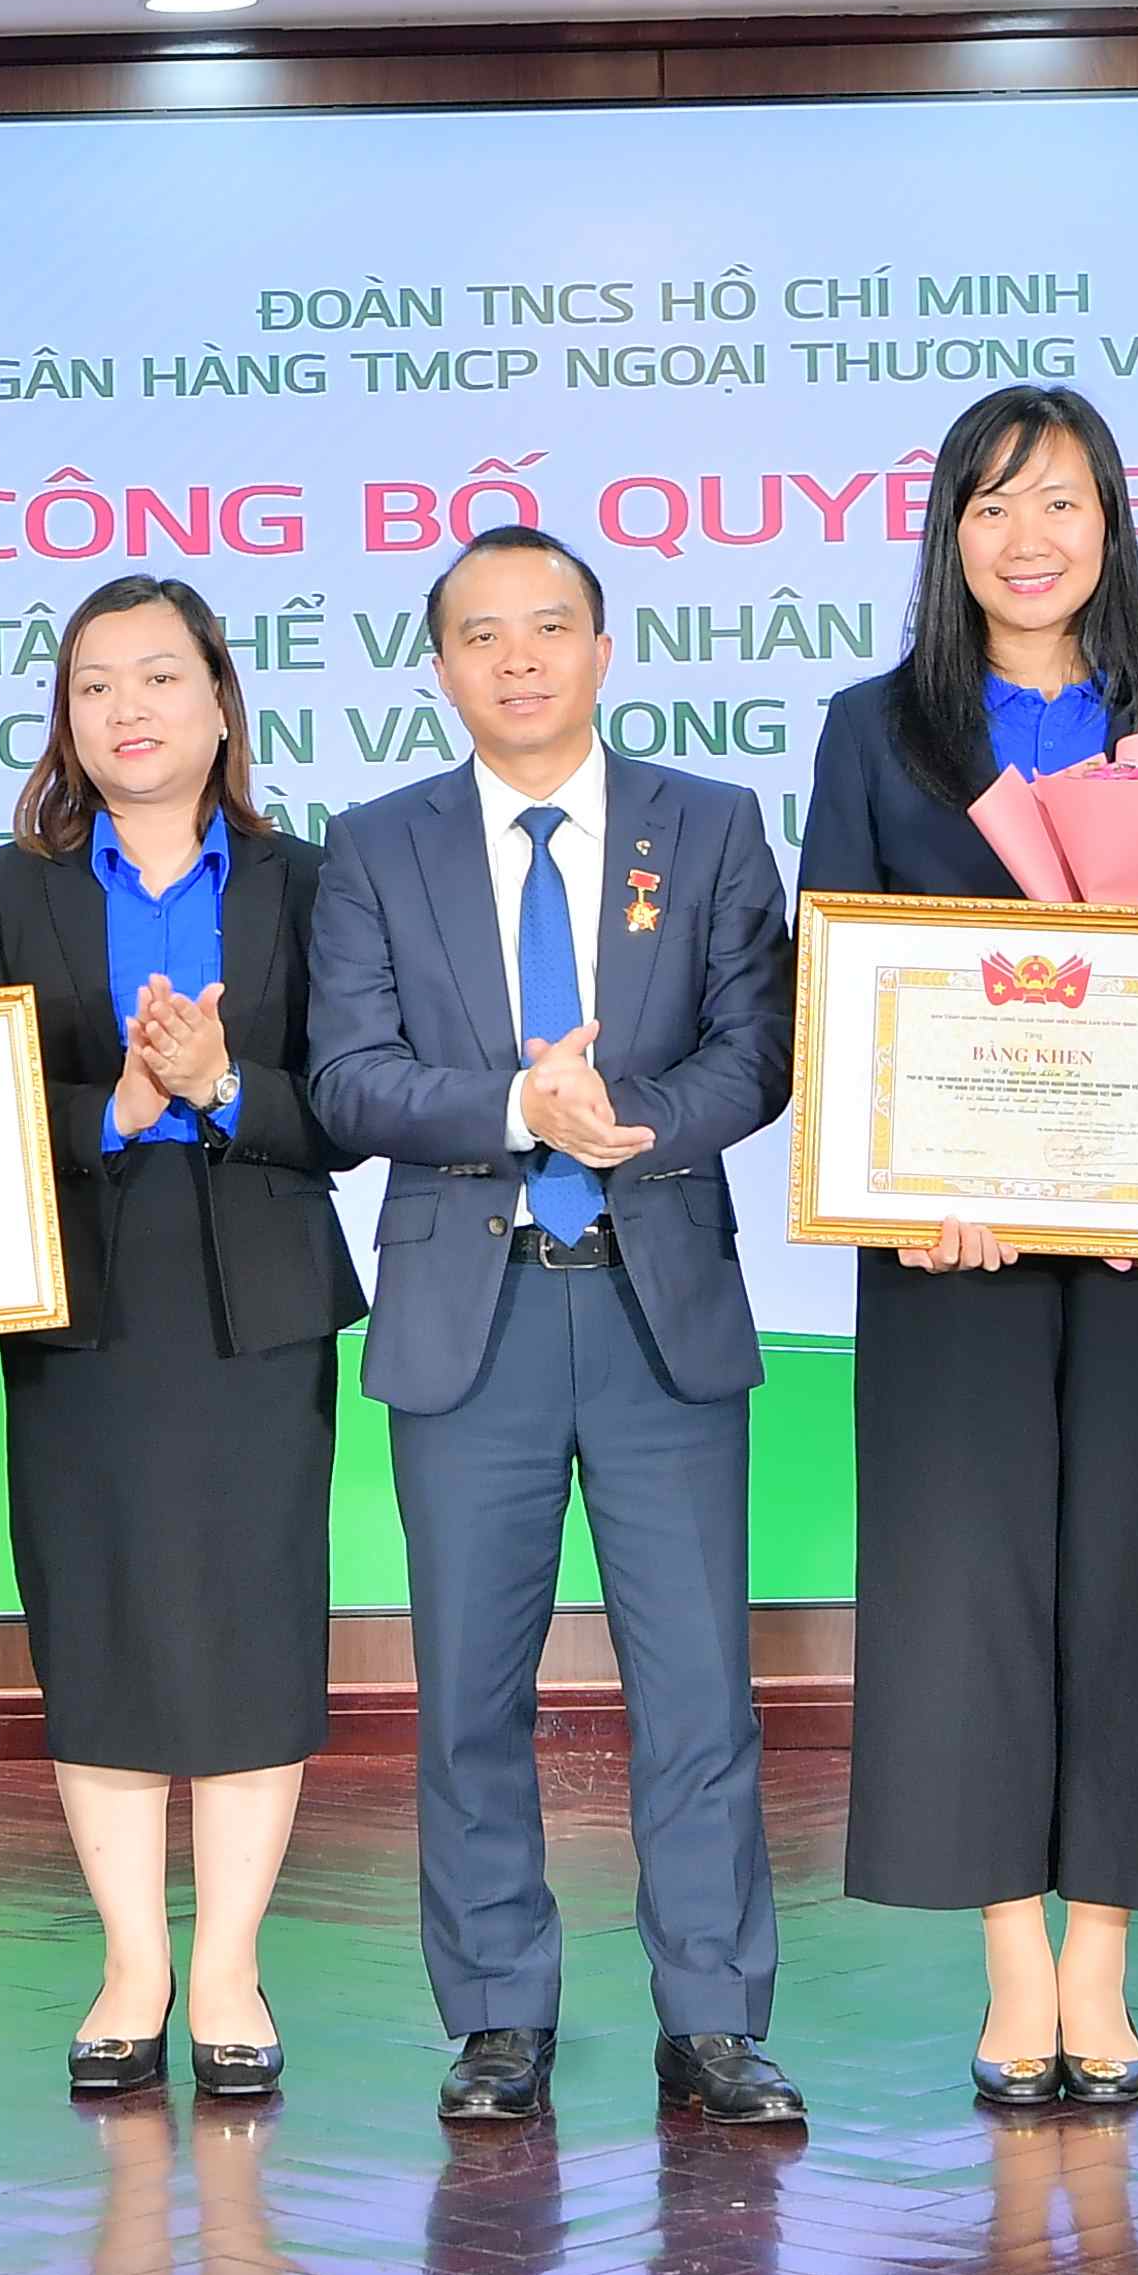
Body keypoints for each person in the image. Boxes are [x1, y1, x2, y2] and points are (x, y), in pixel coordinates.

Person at [800, 386, 1138, 2108]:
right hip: (951, 1252)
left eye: (1064, 503)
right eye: (995, 506)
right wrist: (910, 1177)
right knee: (969, 1589)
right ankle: (1014, 1973)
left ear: (1113, 525)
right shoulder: (876, 731)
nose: (1031, 540)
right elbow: (836, 986)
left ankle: (1103, 1968)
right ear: (950, 533)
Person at [306, 523, 802, 2130]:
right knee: (469, 1691)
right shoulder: (376, 846)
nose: (517, 658)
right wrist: (520, 1108)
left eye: (549, 627)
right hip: (474, 1313)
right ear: (440, 666)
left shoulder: (707, 825)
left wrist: (627, 1124)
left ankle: (713, 2017)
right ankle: (498, 2012)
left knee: (699, 1687)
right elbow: (348, 1078)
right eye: (481, 633)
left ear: (603, 649)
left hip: (662, 1306)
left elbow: (760, 1047)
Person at [0, 574, 366, 2100]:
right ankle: (132, 1962)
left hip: (257, 1295)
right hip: (88, 1302)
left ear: (221, 703)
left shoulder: (311, 882)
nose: (127, 709)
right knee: (101, 1621)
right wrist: (116, 1106)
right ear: (66, 719)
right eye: (94, 684)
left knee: (254, 1623)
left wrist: (225, 1086)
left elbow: (353, 1106)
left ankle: (231, 1966)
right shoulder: (12, 889)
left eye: (159, 677)